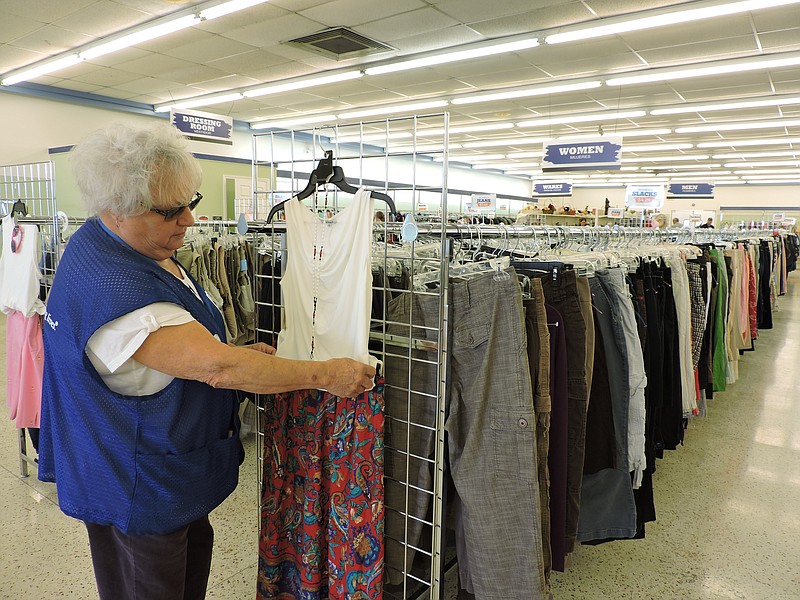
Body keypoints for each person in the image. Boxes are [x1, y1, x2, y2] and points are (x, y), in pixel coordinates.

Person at [37, 123, 375, 600]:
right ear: (116, 210)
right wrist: (325, 374)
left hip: (155, 470)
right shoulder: (120, 294)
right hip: (140, 485)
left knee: (185, 567)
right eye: (170, 211)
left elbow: (204, 357)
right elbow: (219, 369)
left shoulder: (102, 243)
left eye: (189, 203)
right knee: (148, 584)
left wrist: (231, 355)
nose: (189, 222)